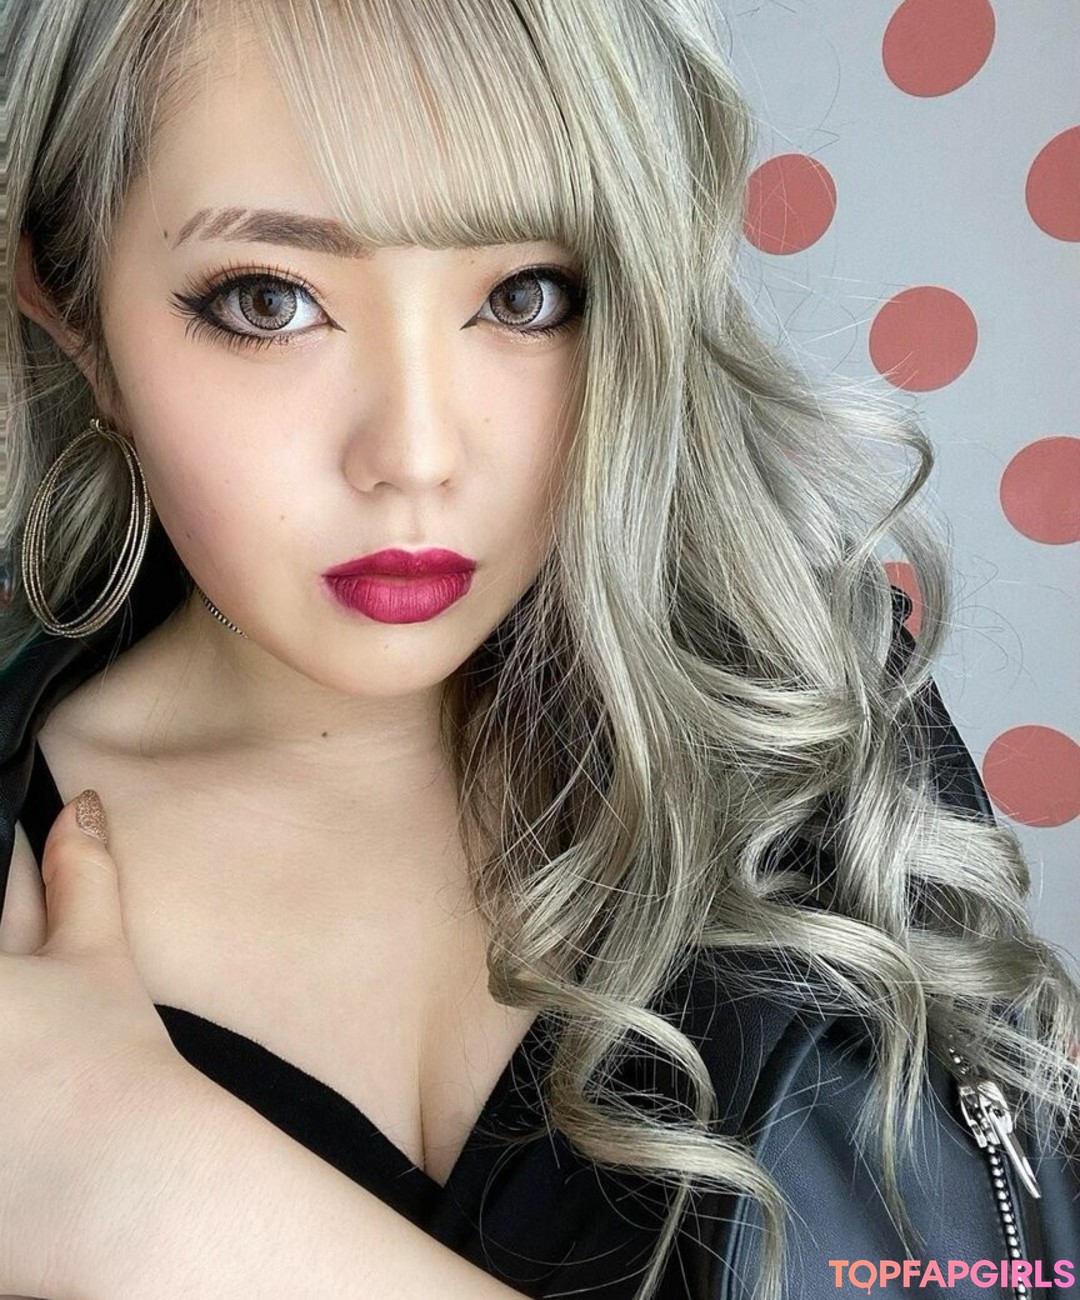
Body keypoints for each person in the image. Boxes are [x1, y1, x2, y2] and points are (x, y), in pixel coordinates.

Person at [1, 1, 1078, 1297]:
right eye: (269, 300)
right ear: (70, 309)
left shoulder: (799, 699)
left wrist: (160, 1199)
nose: (416, 454)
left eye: (527, 295)